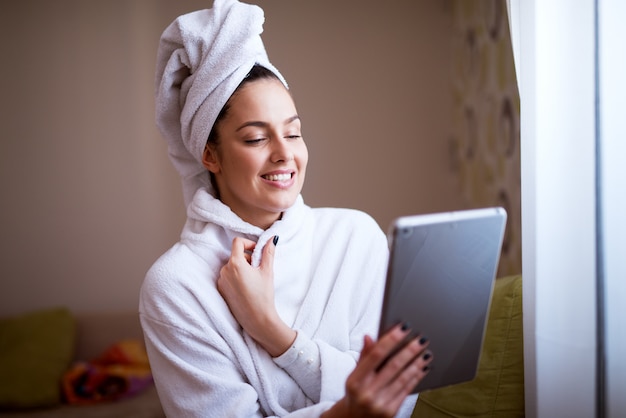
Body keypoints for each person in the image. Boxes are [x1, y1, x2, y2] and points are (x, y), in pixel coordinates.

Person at [139, 1, 433, 417]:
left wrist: (273, 333)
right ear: (210, 155)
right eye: (257, 139)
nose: (284, 154)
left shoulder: (355, 238)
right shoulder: (177, 286)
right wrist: (345, 412)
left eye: (293, 133)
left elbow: (400, 394)